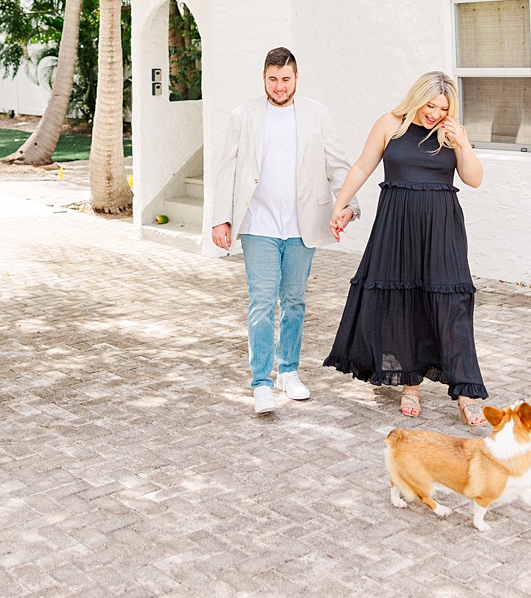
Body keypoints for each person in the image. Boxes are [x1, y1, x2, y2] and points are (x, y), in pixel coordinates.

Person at [322, 72, 489, 424]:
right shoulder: (390, 124)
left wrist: (462, 143)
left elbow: (473, 178)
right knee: (402, 302)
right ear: (417, 98)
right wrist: (341, 205)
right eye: (430, 105)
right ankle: (408, 383)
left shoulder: (450, 132)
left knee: (451, 305)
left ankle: (465, 390)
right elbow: (364, 165)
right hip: (396, 225)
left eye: (443, 108)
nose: (435, 113)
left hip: (441, 228)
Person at [208, 47, 357, 416]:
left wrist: (349, 206)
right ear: (264, 78)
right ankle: (261, 381)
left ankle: (288, 371)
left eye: (285, 79)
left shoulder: (317, 114)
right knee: (261, 302)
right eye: (272, 79)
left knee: (294, 301)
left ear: (296, 78)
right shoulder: (244, 115)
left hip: (302, 225)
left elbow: (338, 166)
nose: (279, 86)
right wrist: (219, 218)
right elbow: (226, 168)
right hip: (258, 223)